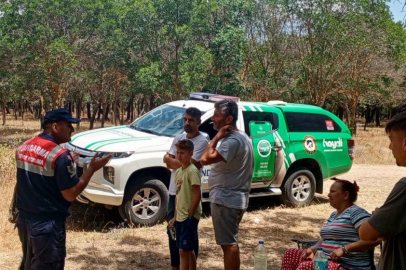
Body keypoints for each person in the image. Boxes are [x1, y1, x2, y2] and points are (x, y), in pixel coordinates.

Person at [15, 108, 112, 270]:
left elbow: (38, 177)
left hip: (25, 221)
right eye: (68, 125)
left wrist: (68, 164)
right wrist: (91, 170)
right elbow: (71, 194)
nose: (72, 129)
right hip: (47, 226)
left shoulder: (24, 146)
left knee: (29, 263)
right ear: (55, 127)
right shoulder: (59, 156)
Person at [200, 99, 254, 270]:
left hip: (226, 199)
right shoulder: (242, 136)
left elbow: (204, 159)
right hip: (233, 198)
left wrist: (217, 137)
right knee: (229, 243)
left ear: (229, 119)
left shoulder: (231, 141)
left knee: (229, 244)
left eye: (217, 116)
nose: (213, 119)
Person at [281, 180, 381, 270]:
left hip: (348, 266)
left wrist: (344, 249)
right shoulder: (334, 215)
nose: (328, 195)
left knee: (307, 267)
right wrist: (313, 249)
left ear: (345, 195)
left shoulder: (356, 213)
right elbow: (325, 237)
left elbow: (375, 239)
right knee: (291, 254)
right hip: (327, 261)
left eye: (332, 192)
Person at [359, 111, 406, 270]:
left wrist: (377, 217)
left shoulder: (404, 187)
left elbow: (366, 233)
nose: (390, 147)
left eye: (392, 140)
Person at [163, 107, 208, 270]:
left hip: (188, 198)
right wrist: (173, 160)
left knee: (189, 240)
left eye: (191, 120)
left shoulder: (202, 141)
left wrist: (174, 160)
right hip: (175, 193)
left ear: (199, 122)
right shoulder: (179, 137)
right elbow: (165, 159)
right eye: (185, 119)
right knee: (172, 231)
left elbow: (188, 164)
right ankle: (175, 265)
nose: (187, 123)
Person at [168, 139, 202, 270]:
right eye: (177, 152)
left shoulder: (192, 171)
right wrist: (175, 217)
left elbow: (197, 194)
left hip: (189, 216)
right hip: (180, 215)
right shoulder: (178, 172)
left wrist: (190, 214)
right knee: (188, 248)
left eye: (182, 152)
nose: (179, 155)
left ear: (191, 153)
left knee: (183, 250)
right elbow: (178, 195)